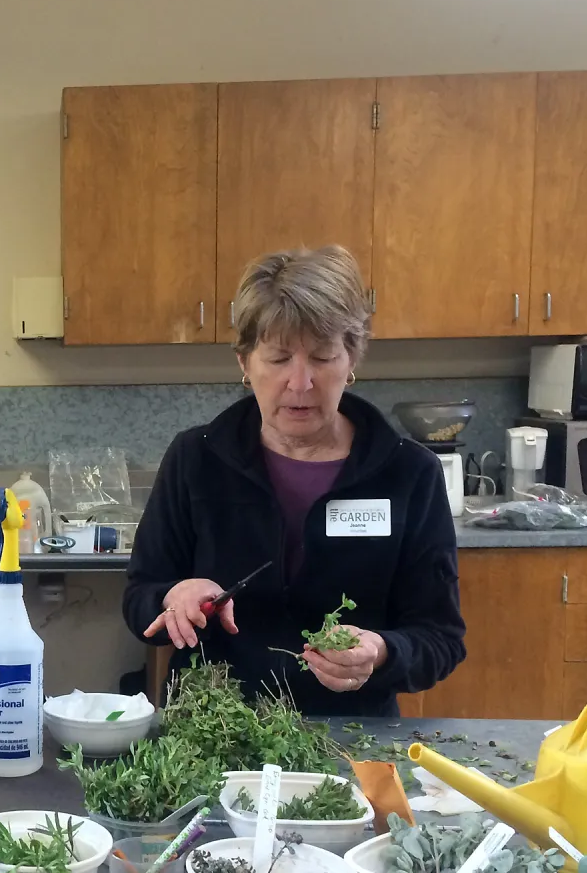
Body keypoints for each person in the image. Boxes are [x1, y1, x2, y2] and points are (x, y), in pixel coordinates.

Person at [124, 246, 465, 716]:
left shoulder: (409, 474)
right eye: (279, 358)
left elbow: (440, 639)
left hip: (352, 735)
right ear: (245, 363)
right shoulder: (196, 458)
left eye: (323, 357)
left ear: (352, 360)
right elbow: (139, 596)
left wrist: (381, 654)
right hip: (213, 732)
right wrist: (172, 596)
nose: (300, 382)